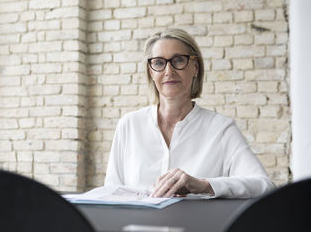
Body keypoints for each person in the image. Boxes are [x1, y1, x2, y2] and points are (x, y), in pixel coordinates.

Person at [104, 28, 275, 198]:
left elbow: (264, 185)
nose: (168, 71)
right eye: (158, 63)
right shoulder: (129, 125)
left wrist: (203, 185)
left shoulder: (221, 129)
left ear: (195, 67)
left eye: (178, 60)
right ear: (151, 71)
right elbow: (111, 193)